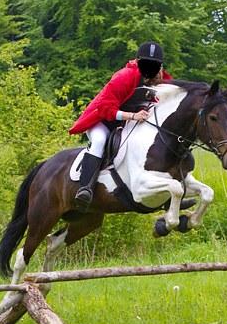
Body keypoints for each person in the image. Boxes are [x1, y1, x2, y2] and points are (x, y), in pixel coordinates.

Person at [68, 41, 172, 208]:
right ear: (138, 61)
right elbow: (104, 109)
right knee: (100, 141)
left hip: (127, 123)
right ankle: (85, 188)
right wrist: (133, 115)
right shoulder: (124, 76)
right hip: (102, 120)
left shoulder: (161, 80)